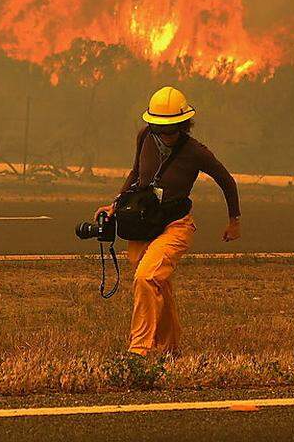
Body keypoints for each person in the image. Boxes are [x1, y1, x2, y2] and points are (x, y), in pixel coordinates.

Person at [96, 86, 241, 357]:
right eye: (160, 129)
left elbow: (226, 181)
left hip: (176, 225)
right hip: (144, 224)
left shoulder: (196, 152)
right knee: (158, 286)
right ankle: (171, 349)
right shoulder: (145, 138)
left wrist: (234, 221)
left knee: (146, 278)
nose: (166, 136)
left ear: (184, 125)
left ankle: (138, 350)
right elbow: (136, 173)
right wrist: (115, 204)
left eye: (172, 130)